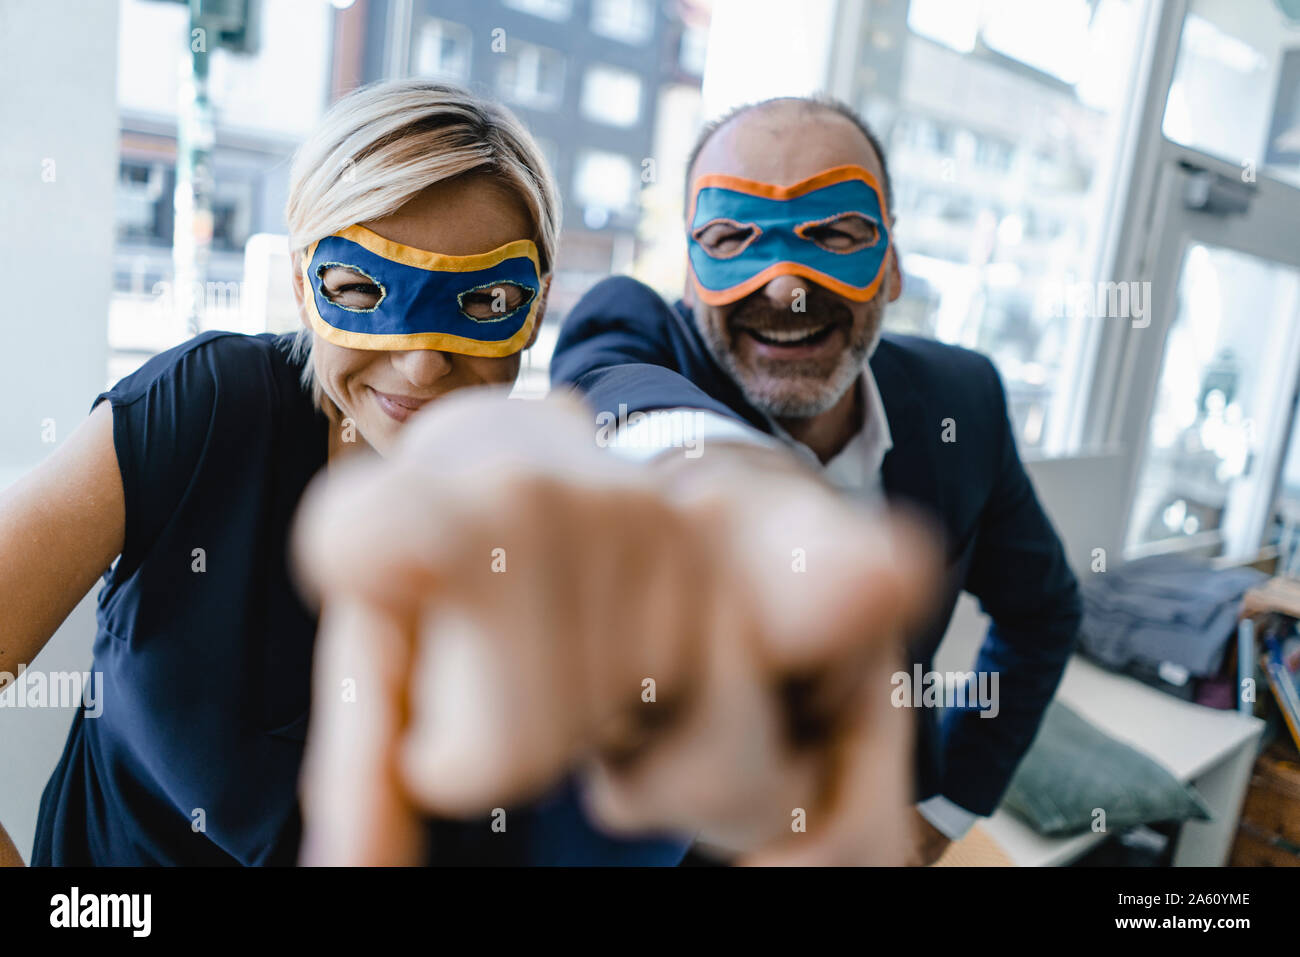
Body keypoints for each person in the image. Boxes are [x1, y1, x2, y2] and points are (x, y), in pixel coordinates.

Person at [0, 79, 939, 867]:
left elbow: (624, 398)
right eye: (363, 291)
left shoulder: (530, 513)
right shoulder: (205, 409)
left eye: (483, 300)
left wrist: (706, 477)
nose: (418, 362)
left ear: (532, 316)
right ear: (301, 285)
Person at [550, 95, 1083, 865]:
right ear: (693, 276)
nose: (783, 288)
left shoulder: (962, 398)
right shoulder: (634, 334)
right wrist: (723, 484)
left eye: (834, 234)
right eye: (733, 237)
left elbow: (1044, 612)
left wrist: (943, 809)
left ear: (892, 265)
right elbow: (608, 386)